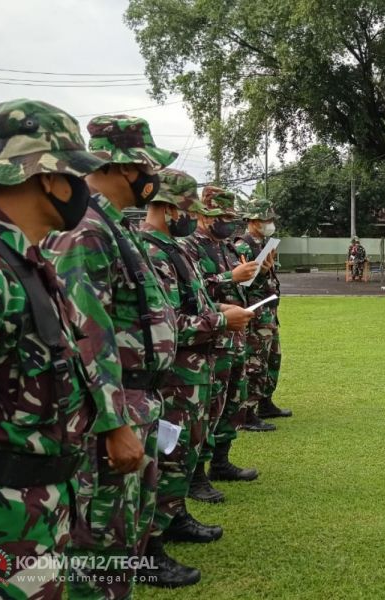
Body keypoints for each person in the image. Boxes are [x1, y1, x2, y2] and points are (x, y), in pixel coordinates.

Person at [0, 99, 132, 598]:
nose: (84, 189)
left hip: (38, 514)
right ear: (48, 178)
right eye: (77, 176)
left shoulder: (21, 261)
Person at [43, 114, 180, 594]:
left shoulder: (110, 224)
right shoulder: (87, 230)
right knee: (99, 558)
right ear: (126, 167)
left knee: (124, 549)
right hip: (112, 417)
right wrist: (113, 424)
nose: (153, 179)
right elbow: (85, 334)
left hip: (135, 405)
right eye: (149, 168)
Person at [139, 169, 254, 585]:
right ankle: (148, 550)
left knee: (186, 452)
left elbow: (195, 300)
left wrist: (219, 313)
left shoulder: (172, 248)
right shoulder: (149, 252)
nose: (196, 217)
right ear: (169, 208)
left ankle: (174, 519)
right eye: (191, 209)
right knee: (167, 457)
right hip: (176, 374)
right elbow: (165, 323)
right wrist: (221, 321)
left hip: (197, 369)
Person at [187, 186, 260, 503]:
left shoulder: (228, 247)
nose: (228, 223)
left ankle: (221, 462)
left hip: (235, 336)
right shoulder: (190, 246)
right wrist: (231, 276)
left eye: (232, 217)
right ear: (204, 214)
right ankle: (196, 476)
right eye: (223, 217)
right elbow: (195, 288)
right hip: (209, 337)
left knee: (231, 402)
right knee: (207, 409)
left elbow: (238, 281)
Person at [235, 198, 292, 424]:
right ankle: (247, 413)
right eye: (265, 219)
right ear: (253, 220)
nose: (270, 223)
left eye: (270, 219)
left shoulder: (263, 244)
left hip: (268, 313)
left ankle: (265, 403)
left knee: (272, 359)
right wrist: (260, 272)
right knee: (255, 363)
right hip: (255, 315)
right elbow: (240, 283)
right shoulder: (242, 246)